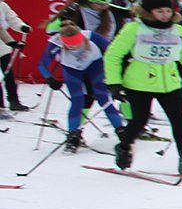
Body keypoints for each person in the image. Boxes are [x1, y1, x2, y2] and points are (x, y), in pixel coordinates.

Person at [104, 0, 182, 175]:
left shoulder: (177, 30)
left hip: (169, 83)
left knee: (178, 121)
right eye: (159, 11)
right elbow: (113, 55)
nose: (165, 15)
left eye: (168, 11)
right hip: (139, 83)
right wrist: (114, 83)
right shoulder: (134, 29)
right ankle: (123, 147)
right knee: (139, 120)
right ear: (148, 12)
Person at [36, 21, 126, 149]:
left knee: (103, 98)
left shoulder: (90, 36)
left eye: (78, 43)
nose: (76, 47)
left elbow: (112, 52)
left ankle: (121, 130)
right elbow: (42, 64)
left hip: (95, 65)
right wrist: (50, 78)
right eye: (71, 46)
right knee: (77, 101)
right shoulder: (56, 42)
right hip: (72, 70)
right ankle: (73, 135)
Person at [1, 0, 30, 115]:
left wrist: (22, 27)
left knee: (8, 74)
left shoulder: (3, 6)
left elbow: (12, 19)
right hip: (4, 41)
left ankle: (14, 101)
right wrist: (11, 42)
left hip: (2, 47)